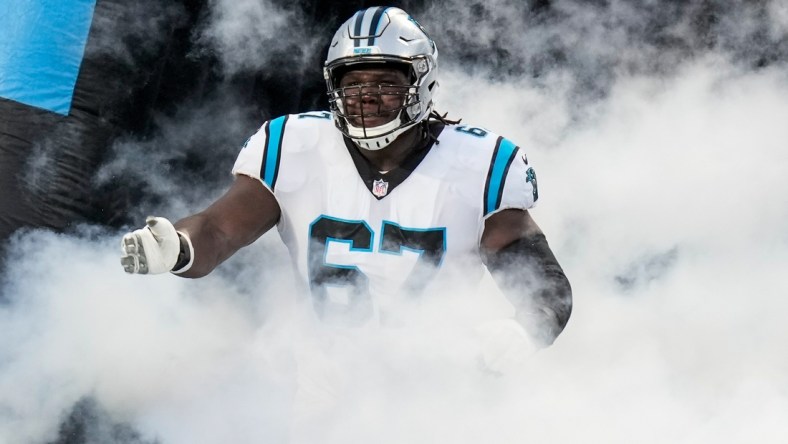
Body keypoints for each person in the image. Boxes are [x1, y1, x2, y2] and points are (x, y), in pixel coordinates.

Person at [121, 7, 571, 364]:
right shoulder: (293, 145)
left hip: (439, 387)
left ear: (421, 84)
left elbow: (543, 283)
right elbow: (218, 231)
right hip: (326, 379)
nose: (367, 97)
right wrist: (178, 247)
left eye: (385, 84)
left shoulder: (482, 164)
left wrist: (525, 330)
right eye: (353, 84)